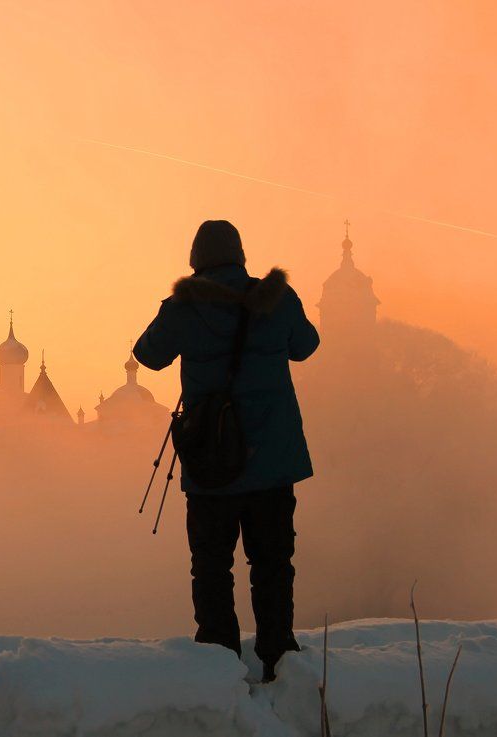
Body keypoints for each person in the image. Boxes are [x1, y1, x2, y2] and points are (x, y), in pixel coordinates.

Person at [133, 220, 319, 682]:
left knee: (212, 566)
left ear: (196, 260)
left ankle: (218, 663)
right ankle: (279, 657)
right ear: (240, 255)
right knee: (273, 563)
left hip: (212, 462)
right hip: (274, 462)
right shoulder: (277, 299)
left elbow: (147, 355)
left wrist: (181, 312)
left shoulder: (183, 307)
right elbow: (307, 345)